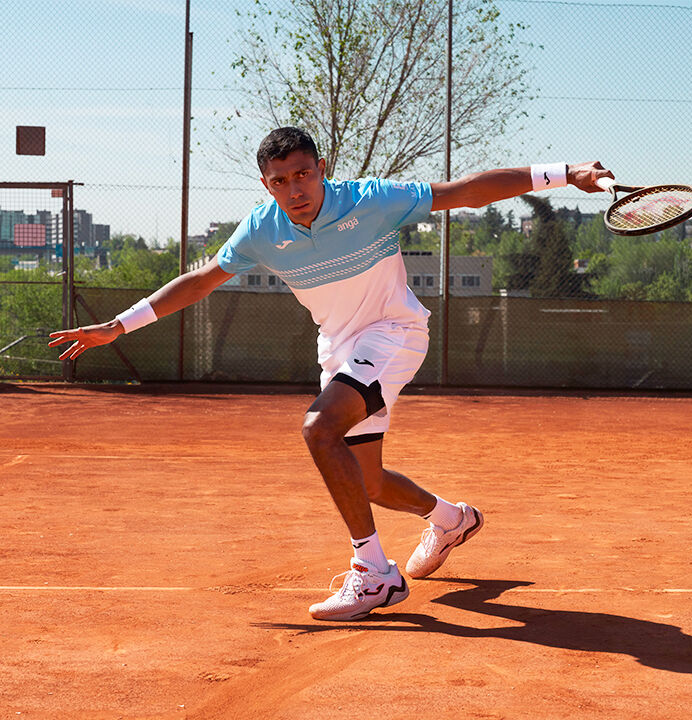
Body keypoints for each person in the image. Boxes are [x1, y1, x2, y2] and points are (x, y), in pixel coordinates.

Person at [49, 126, 613, 622]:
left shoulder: (373, 200)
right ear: (266, 185)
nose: (295, 189)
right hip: (340, 351)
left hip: (394, 335)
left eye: (303, 174)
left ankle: (374, 572)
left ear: (323, 170)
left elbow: (464, 191)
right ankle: (451, 519)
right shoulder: (260, 231)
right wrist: (119, 326)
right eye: (280, 180)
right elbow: (200, 280)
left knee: (319, 430)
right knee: (364, 481)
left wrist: (566, 173)